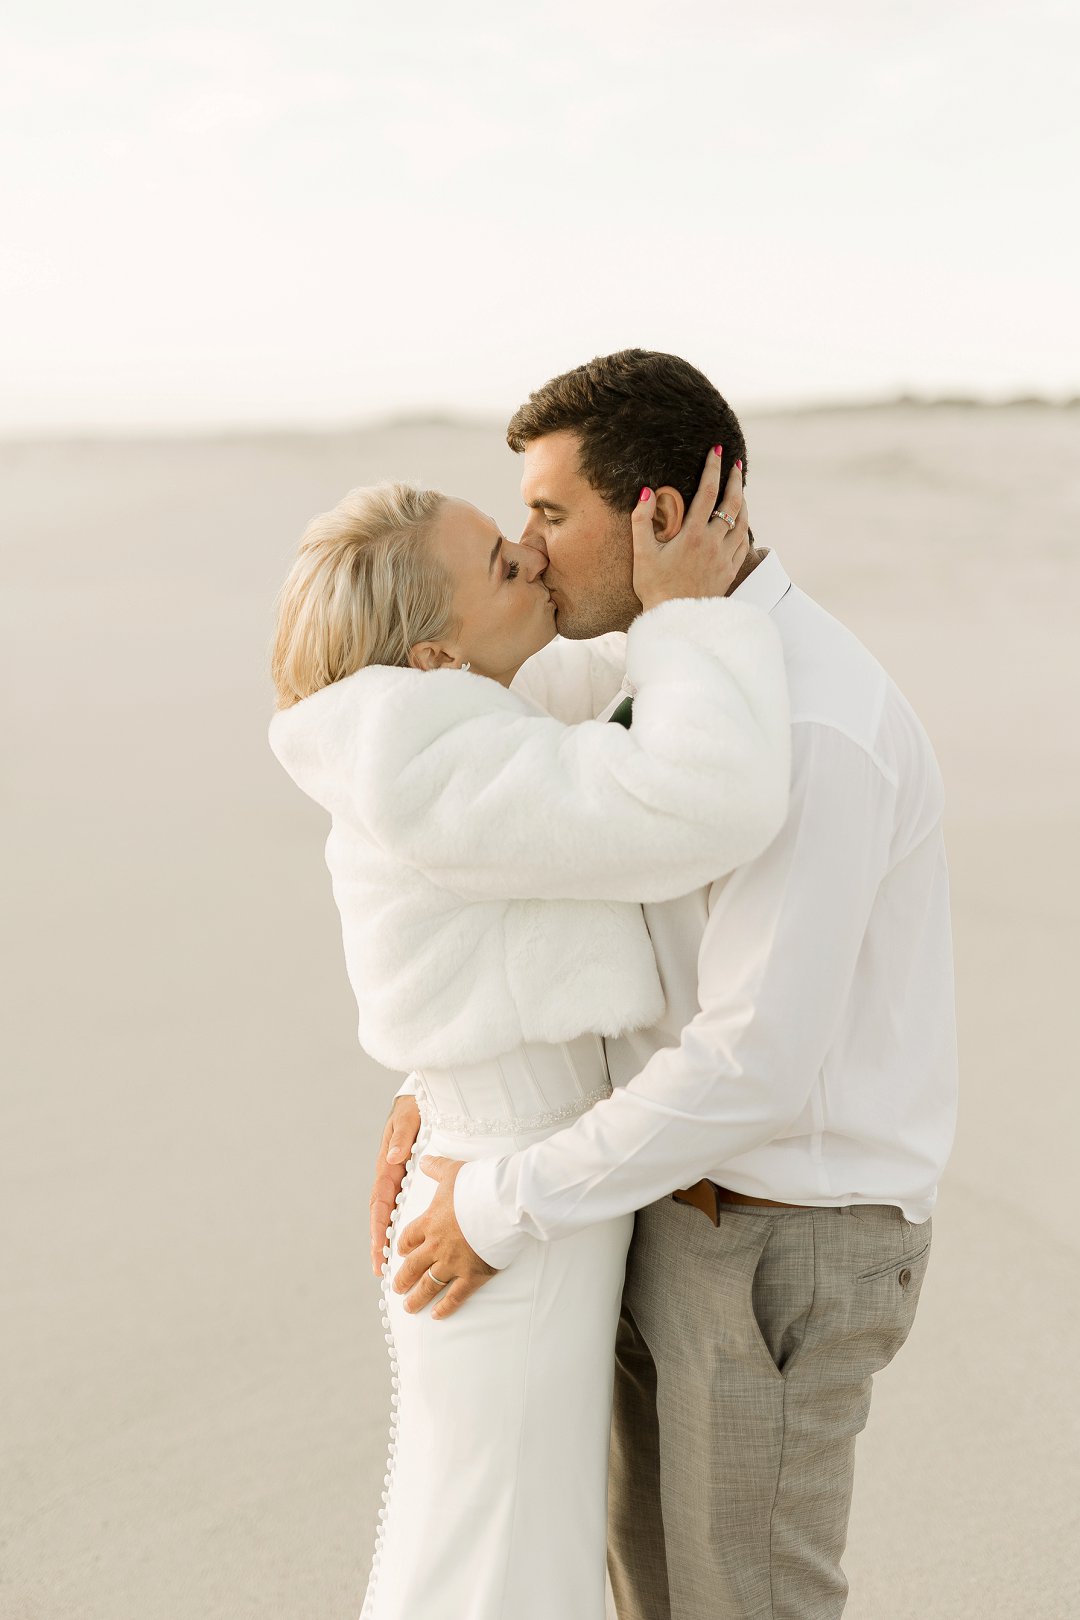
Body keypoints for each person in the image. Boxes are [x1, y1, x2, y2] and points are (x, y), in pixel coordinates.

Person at [376, 349, 959, 1620]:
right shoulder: (664, 667)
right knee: (649, 1595)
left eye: (549, 513)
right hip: (655, 1199)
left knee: (745, 1604)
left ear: (659, 514)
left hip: (781, 1237)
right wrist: (446, 1094)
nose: (527, 551)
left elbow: (753, 1063)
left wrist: (501, 1205)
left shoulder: (813, 722)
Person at [268, 447, 791, 1620]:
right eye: (504, 564)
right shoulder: (437, 761)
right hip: (502, 1204)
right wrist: (694, 615)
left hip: (506, 1176)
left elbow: (593, 694)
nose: (535, 558)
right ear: (434, 655)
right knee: (498, 1560)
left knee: (497, 1540)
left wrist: (662, 574)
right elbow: (699, 800)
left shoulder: (450, 727)